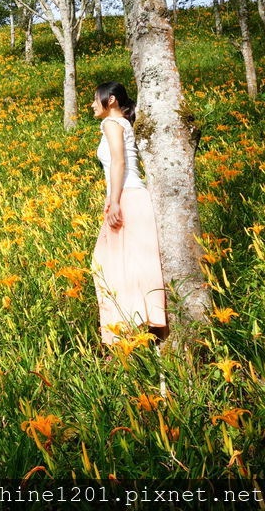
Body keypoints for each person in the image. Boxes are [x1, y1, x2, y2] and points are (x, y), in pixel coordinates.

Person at [89, 82, 169, 350]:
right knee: (135, 263)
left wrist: (113, 201)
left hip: (126, 197)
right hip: (135, 196)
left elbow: (119, 162)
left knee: (108, 265)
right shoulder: (125, 124)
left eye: (95, 100)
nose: (91, 105)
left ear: (110, 100)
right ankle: (148, 324)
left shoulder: (111, 124)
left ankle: (125, 333)